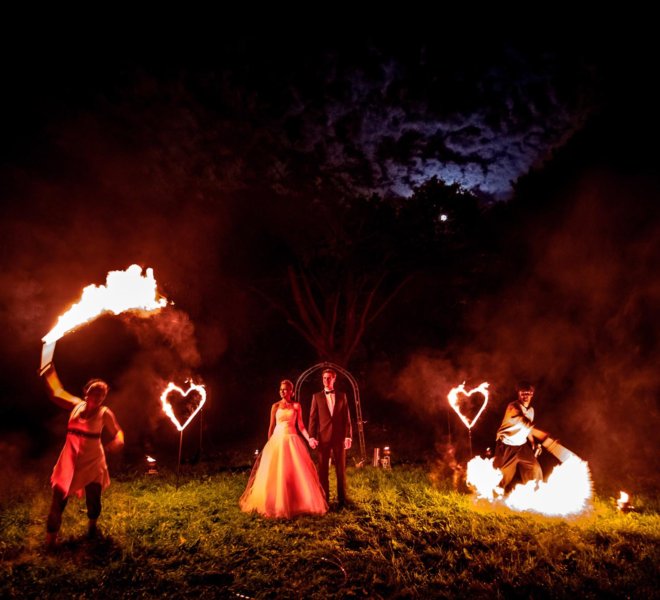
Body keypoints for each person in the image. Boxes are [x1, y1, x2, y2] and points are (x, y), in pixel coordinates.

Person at [41, 364, 124, 548]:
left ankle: (92, 528)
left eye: (102, 393)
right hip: (69, 461)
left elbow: (118, 431)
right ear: (86, 392)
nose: (98, 396)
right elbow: (56, 392)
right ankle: (50, 541)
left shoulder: (105, 413)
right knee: (58, 500)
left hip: (93, 461)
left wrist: (118, 441)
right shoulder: (76, 405)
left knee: (93, 499)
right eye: (95, 391)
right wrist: (48, 371)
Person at [240, 380, 328, 518]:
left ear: (291, 392)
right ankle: (273, 502)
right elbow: (271, 427)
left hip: (292, 439)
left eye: (286, 389)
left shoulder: (296, 406)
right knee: (275, 472)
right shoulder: (275, 406)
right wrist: (270, 444)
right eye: (281, 389)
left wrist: (309, 438)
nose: (282, 391)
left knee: (293, 471)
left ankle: (296, 501)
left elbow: (301, 426)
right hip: (277, 439)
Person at [493, 381, 549, 492]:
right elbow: (523, 421)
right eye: (523, 393)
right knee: (502, 475)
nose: (525, 396)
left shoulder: (531, 410)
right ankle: (492, 496)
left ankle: (536, 493)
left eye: (528, 393)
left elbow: (527, 429)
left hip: (522, 447)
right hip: (507, 446)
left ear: (532, 394)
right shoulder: (513, 407)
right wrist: (544, 436)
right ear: (518, 394)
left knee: (535, 468)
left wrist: (532, 443)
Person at [308, 368, 353, 507]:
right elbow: (313, 419)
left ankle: (342, 499)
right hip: (323, 438)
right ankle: (324, 499)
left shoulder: (342, 396)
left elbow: (347, 418)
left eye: (329, 378)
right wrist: (311, 436)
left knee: (340, 469)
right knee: (323, 470)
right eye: (324, 378)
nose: (326, 380)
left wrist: (348, 436)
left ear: (334, 379)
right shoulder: (316, 397)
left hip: (339, 437)